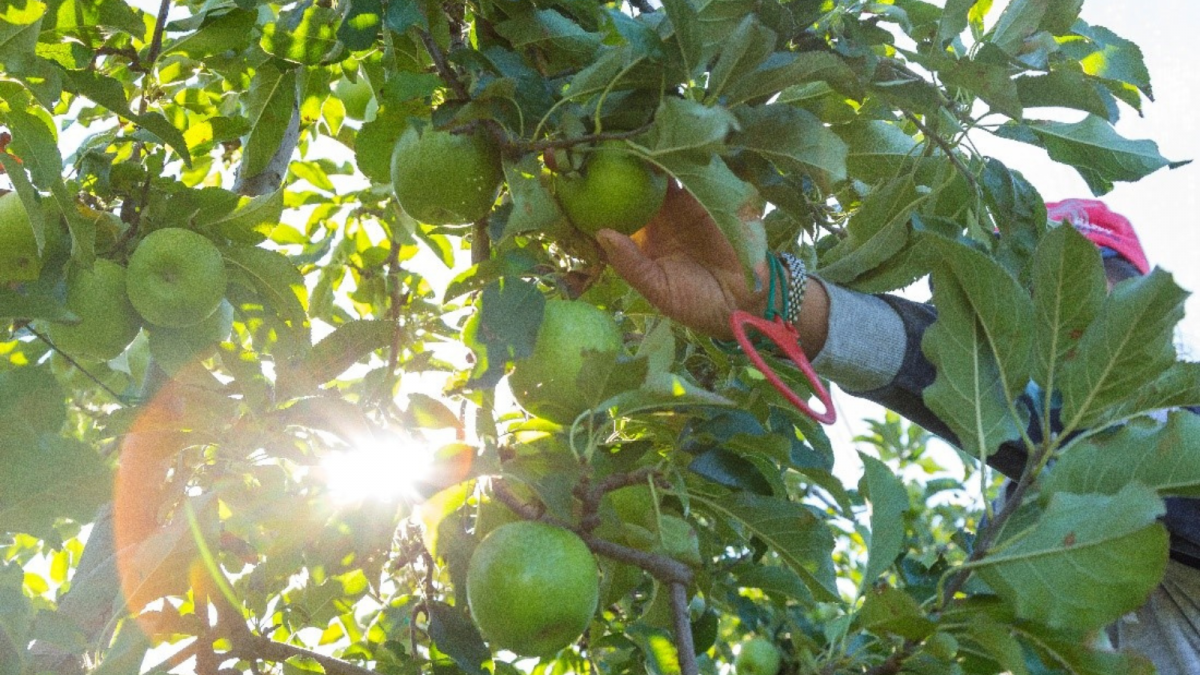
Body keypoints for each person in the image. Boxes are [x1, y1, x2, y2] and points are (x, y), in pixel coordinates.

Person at [594, 184, 1200, 674]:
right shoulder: (1014, 524)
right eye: (1032, 308)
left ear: (1147, 322)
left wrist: (789, 301)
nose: (1062, 335)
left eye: (1091, 300)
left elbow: (989, 391)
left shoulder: (1181, 446)